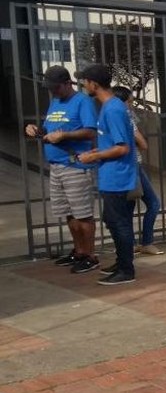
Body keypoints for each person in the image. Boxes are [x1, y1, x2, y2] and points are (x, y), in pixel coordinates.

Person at [25, 66, 99, 273]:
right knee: (69, 213)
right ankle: (79, 251)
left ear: (68, 84)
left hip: (75, 165)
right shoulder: (56, 101)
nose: (53, 92)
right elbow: (51, 128)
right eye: (50, 88)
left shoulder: (82, 102)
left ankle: (91, 255)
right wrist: (37, 130)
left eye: (56, 88)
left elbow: (90, 132)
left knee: (83, 214)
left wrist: (65, 136)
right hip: (56, 166)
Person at [75, 64, 138, 285]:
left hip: (118, 176)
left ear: (93, 83)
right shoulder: (108, 107)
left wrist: (94, 157)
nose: (83, 86)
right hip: (110, 175)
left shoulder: (113, 109)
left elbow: (123, 148)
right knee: (112, 219)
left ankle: (126, 269)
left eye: (84, 82)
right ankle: (122, 262)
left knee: (118, 222)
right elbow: (113, 143)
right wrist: (97, 152)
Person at [112, 86, 164, 256]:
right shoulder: (125, 118)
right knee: (153, 203)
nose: (132, 106)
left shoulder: (108, 116)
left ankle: (130, 244)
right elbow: (143, 143)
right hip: (133, 165)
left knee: (128, 206)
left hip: (122, 167)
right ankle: (146, 242)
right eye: (130, 102)